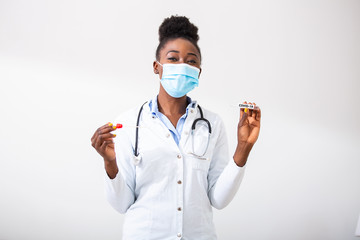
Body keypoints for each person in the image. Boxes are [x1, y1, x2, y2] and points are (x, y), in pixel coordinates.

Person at [91, 15, 261, 240]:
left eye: (191, 61)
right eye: (173, 58)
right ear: (156, 67)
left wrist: (243, 148)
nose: (183, 66)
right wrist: (110, 162)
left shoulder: (212, 124)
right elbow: (121, 204)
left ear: (199, 72)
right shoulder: (130, 123)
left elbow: (218, 199)